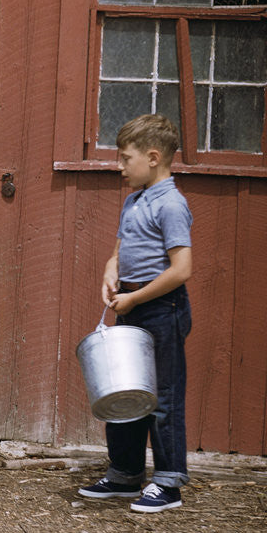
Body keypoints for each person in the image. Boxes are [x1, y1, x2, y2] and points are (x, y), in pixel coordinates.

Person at [78, 114, 193, 513]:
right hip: (132, 304)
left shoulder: (171, 204)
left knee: (162, 396)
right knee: (124, 389)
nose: (120, 166)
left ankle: (169, 483)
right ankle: (125, 475)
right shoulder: (134, 200)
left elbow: (182, 270)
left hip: (162, 308)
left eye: (126, 159)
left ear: (154, 157)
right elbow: (120, 248)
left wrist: (137, 297)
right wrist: (112, 270)